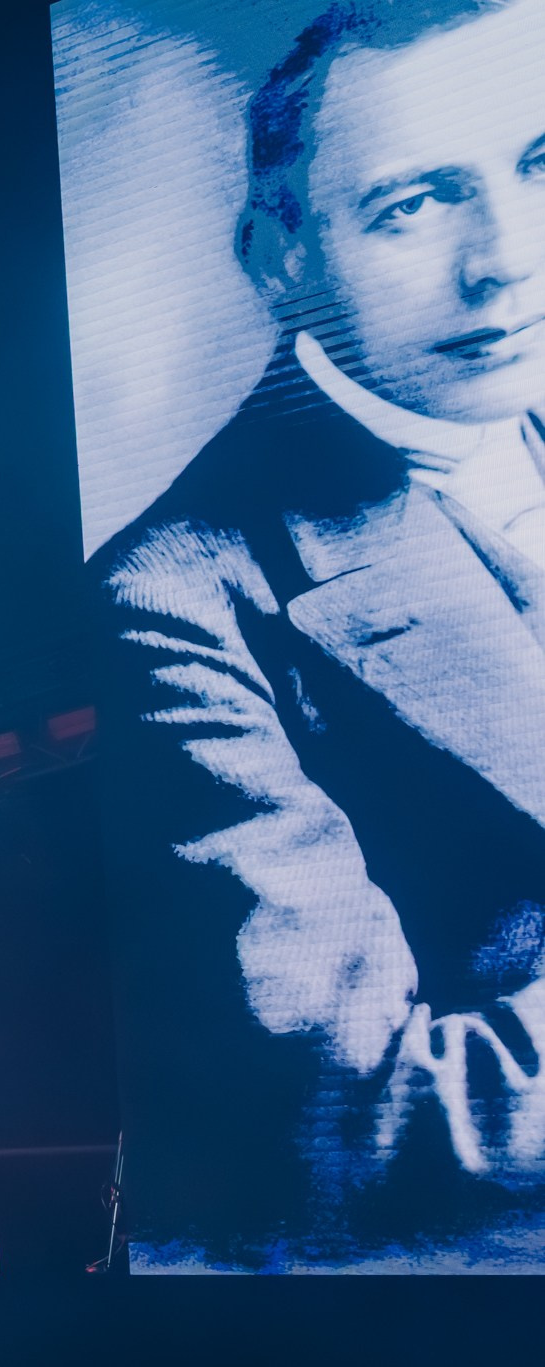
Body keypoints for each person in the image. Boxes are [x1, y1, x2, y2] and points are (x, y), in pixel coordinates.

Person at [98, 0, 545, 1258]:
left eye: (540, 165)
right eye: (411, 204)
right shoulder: (173, 596)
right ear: (277, 255)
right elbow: (354, 1116)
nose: (504, 257)